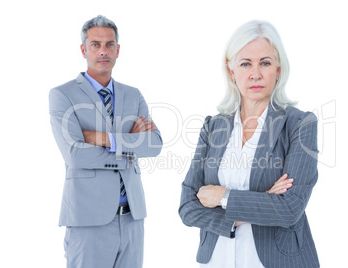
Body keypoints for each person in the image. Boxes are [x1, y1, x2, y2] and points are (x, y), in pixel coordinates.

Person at [179, 20, 319, 268]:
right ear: (231, 71)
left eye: (265, 63)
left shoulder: (300, 124)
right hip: (217, 260)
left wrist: (223, 197)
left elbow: (289, 209)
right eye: (245, 64)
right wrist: (264, 200)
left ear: (278, 69)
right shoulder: (214, 127)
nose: (256, 73)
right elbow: (188, 207)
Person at [49, 15, 162, 268]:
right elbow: (75, 156)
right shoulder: (62, 95)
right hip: (88, 220)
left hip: (133, 218)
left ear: (118, 50)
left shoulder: (133, 95)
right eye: (95, 44)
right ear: (83, 49)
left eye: (110, 44)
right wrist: (130, 145)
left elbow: (154, 144)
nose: (103, 51)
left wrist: (103, 139)